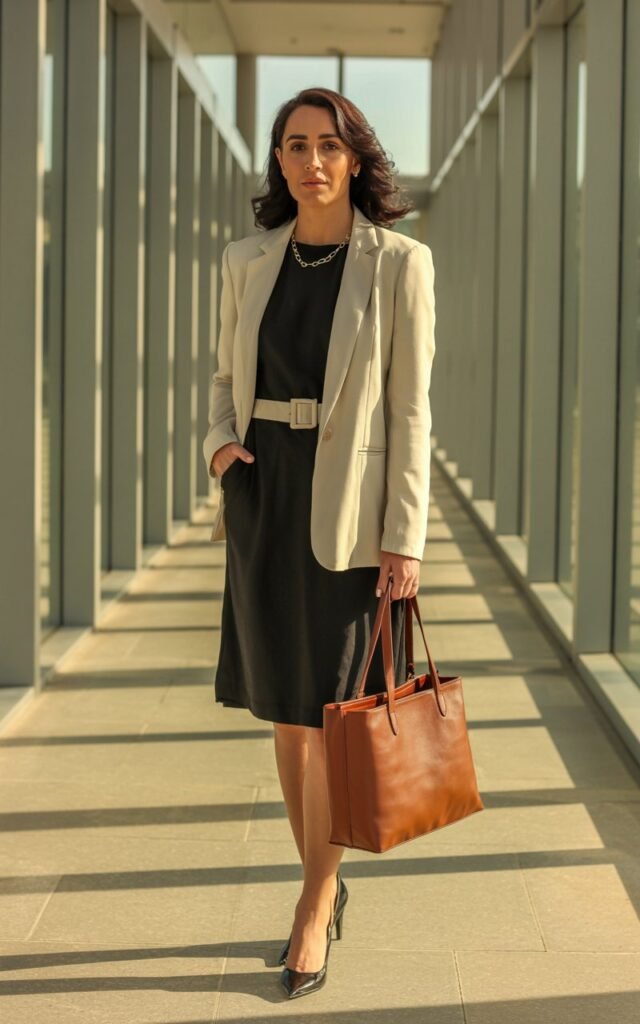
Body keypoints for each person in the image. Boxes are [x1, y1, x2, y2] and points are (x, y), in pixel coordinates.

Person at [202, 86, 436, 1000]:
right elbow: (225, 370)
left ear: (356, 158)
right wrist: (222, 448)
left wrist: (404, 537)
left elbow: (413, 411)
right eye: (294, 146)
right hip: (264, 493)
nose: (311, 162)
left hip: (351, 510)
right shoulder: (247, 258)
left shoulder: (398, 264)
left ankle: (312, 900)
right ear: (280, 161)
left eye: (328, 146)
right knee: (289, 714)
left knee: (336, 716)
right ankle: (321, 886)